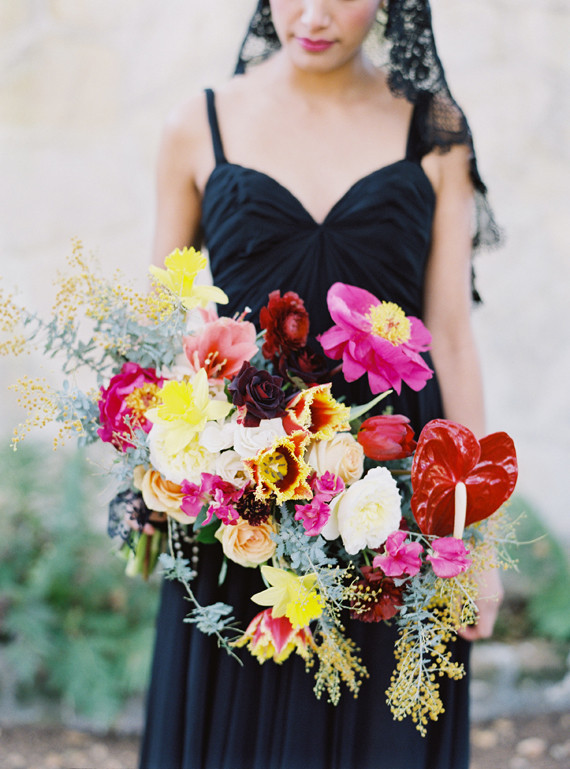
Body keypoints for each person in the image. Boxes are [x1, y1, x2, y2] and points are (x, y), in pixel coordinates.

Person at [139, 1, 504, 767]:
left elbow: (454, 339)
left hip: (393, 498)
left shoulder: (433, 130)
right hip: (244, 500)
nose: (312, 14)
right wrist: (158, 477)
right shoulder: (197, 124)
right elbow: (162, 326)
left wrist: (479, 541)